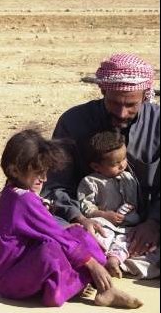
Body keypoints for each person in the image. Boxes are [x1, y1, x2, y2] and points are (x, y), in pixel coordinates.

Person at [0, 129, 143, 309]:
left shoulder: (14, 190)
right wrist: (92, 265)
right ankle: (71, 288)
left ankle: (99, 287)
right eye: (38, 173)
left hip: (24, 265)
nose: (44, 178)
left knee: (78, 232)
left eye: (45, 172)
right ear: (15, 170)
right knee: (51, 251)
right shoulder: (22, 199)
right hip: (9, 280)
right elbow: (56, 236)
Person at [42, 53, 159, 261]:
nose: (122, 113)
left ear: (145, 95)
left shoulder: (157, 122)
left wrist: (153, 223)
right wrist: (78, 218)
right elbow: (55, 186)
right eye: (114, 103)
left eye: (131, 105)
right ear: (103, 90)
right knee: (44, 232)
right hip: (92, 222)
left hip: (148, 223)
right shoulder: (73, 122)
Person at [77, 131, 140, 278]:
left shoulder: (129, 178)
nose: (122, 165)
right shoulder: (91, 182)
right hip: (104, 223)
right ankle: (99, 261)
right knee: (99, 236)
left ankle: (114, 260)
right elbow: (86, 207)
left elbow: (135, 202)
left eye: (124, 159)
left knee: (128, 242)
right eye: (115, 163)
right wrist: (103, 214)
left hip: (127, 225)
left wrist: (130, 211)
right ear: (96, 166)